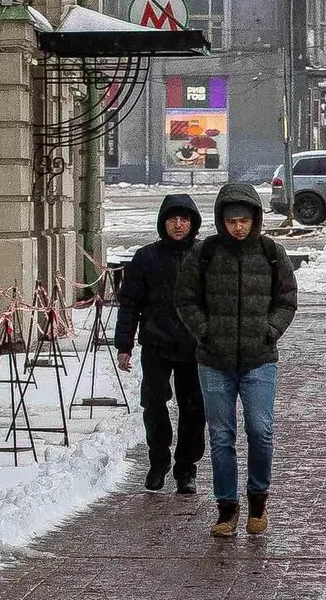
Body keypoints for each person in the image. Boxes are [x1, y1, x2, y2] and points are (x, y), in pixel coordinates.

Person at [175, 180, 299, 539]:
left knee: (260, 430)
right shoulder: (205, 253)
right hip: (214, 360)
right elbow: (186, 299)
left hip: (260, 358)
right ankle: (227, 507)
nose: (239, 228)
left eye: (244, 220)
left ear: (255, 219)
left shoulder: (271, 252)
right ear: (221, 221)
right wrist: (205, 331)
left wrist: (270, 330)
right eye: (232, 221)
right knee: (221, 435)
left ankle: (258, 500)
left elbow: (287, 298)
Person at [112, 193, 205, 493]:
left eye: (184, 219)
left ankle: (186, 468)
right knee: (153, 404)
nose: (178, 225)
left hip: (194, 347)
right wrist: (124, 344)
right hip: (157, 344)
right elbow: (130, 304)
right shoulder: (146, 257)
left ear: (193, 223)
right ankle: (158, 460)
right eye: (172, 219)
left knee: (194, 409)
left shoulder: (204, 255)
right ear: (163, 222)